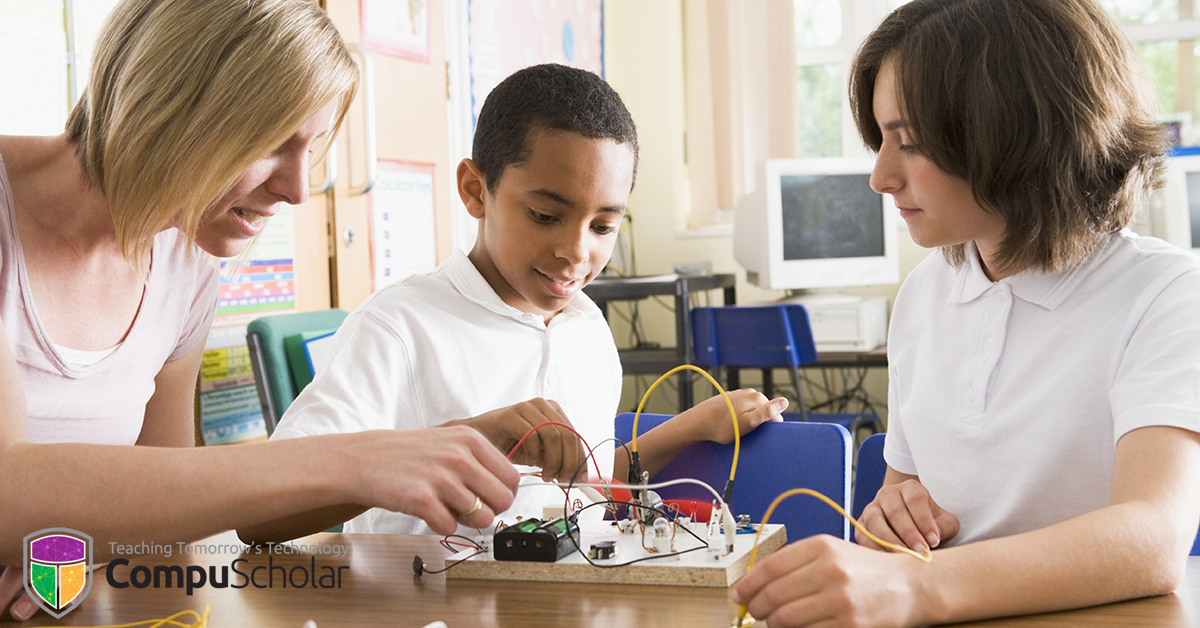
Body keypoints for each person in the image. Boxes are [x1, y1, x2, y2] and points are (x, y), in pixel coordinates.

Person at [0, 0, 523, 620]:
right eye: (274, 143)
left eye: (311, 148)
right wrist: (349, 460)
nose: (298, 189)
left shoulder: (185, 265)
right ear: (169, 101)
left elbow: (165, 512)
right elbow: (11, 491)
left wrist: (60, 548)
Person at [731, 0, 1200, 625]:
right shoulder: (925, 293)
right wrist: (889, 522)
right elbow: (902, 496)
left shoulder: (1167, 293)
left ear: (1021, 134)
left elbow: (1152, 538)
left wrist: (912, 588)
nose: (879, 176)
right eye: (880, 138)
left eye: (912, 142)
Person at [241, 64, 789, 541]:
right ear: (476, 191)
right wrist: (473, 440)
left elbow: (583, 489)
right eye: (546, 216)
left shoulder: (587, 327)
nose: (576, 251)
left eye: (603, 225)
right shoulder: (398, 328)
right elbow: (260, 512)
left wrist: (691, 427)